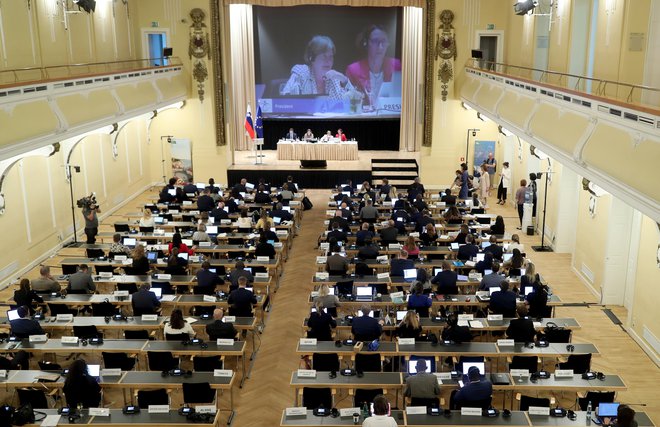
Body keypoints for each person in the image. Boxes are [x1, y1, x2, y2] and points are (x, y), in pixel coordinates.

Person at [281, 35, 354, 100]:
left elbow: (355, 102)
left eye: (331, 57)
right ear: (311, 58)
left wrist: (344, 80)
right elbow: (285, 100)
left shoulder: (334, 78)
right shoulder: (301, 73)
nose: (328, 61)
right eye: (324, 57)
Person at [346, 24, 401, 109]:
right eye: (375, 41)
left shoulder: (397, 65)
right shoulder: (353, 70)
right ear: (366, 43)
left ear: (388, 44)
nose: (380, 46)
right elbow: (350, 103)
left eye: (383, 41)